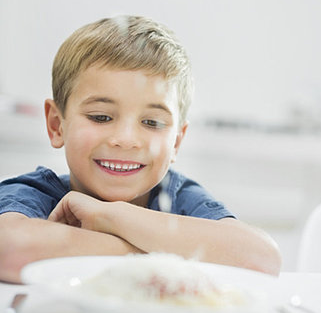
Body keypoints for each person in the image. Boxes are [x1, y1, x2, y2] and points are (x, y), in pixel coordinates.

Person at [0, 16, 281, 283]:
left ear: (176, 142)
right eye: (101, 117)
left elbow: (262, 259)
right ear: (56, 125)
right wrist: (162, 253)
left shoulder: (178, 197)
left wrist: (110, 215)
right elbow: (11, 249)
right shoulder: (33, 193)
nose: (126, 139)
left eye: (152, 122)